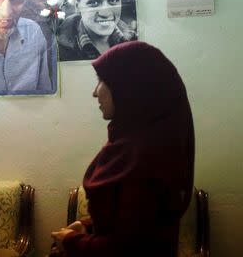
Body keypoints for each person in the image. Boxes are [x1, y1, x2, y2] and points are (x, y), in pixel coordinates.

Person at [51, 41, 195, 256]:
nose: (94, 92)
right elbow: (133, 225)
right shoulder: (138, 144)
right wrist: (89, 227)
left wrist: (71, 241)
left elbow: (127, 249)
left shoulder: (143, 158)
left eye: (101, 81)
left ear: (129, 88)